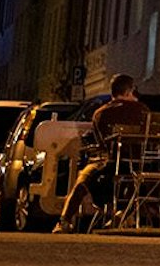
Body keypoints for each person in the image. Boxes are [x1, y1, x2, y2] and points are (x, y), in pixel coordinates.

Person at [54, 73, 150, 231]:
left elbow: (101, 143)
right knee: (138, 179)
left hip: (109, 163)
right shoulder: (143, 111)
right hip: (137, 164)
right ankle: (123, 214)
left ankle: (64, 220)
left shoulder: (101, 113)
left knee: (83, 179)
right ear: (128, 92)